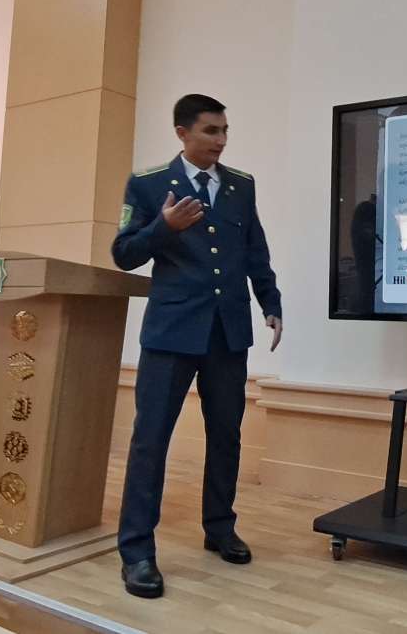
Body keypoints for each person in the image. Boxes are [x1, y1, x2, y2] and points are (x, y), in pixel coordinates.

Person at [112, 94, 283, 598]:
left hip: (227, 331)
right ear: (182, 133)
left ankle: (220, 527)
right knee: (151, 441)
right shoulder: (147, 184)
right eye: (211, 130)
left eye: (225, 130)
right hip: (172, 332)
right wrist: (163, 228)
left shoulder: (240, 186)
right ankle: (137, 552)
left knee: (226, 434)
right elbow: (123, 253)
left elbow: (255, 249)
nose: (221, 140)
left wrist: (270, 301)